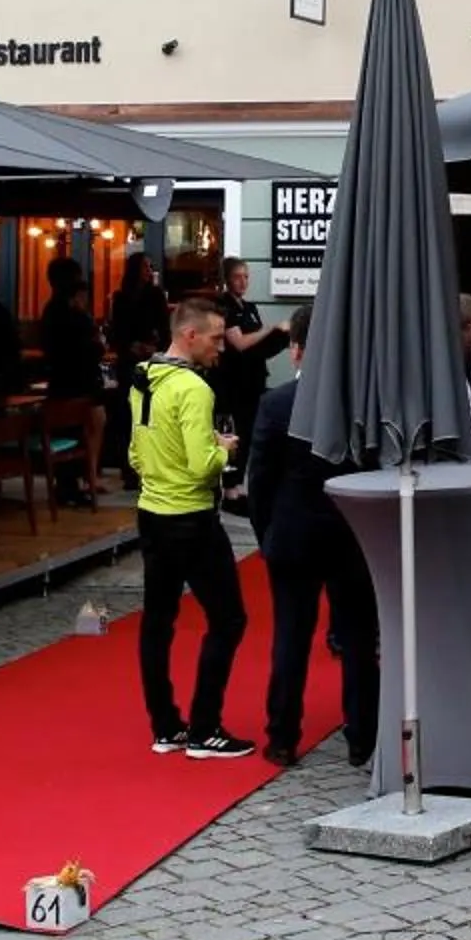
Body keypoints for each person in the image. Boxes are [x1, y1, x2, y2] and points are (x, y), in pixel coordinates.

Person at [247, 303, 378, 767]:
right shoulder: (359, 404)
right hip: (350, 534)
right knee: (360, 638)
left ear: (298, 351)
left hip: (294, 532)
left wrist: (268, 534)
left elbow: (259, 480)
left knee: (291, 637)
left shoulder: (277, 403)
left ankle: (282, 735)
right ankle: (363, 736)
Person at [130, 298, 252, 759]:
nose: (222, 346)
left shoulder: (143, 379)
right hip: (191, 516)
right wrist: (226, 450)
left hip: (152, 511)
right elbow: (204, 466)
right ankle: (205, 728)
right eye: (217, 337)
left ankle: (165, 725)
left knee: (158, 622)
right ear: (190, 336)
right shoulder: (193, 388)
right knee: (229, 618)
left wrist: (174, 463)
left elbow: (136, 455)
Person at [39, 258, 111, 502]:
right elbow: (94, 347)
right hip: (80, 380)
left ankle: (78, 480)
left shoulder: (51, 311)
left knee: (78, 427)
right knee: (88, 425)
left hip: (63, 380)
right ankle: (80, 480)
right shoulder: (74, 315)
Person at [213, 257, 287, 440]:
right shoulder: (224, 305)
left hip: (255, 376)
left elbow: (258, 343)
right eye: (237, 277)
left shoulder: (250, 308)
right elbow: (239, 343)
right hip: (235, 381)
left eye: (246, 277)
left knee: (254, 427)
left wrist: (280, 337)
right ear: (227, 279)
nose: (242, 282)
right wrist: (271, 328)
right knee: (239, 428)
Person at [109, 254, 171, 368]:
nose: (149, 271)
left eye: (150, 267)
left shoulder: (156, 295)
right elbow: (117, 328)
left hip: (152, 355)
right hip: (128, 357)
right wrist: (129, 345)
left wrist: (156, 347)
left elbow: (164, 326)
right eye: (145, 267)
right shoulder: (121, 297)